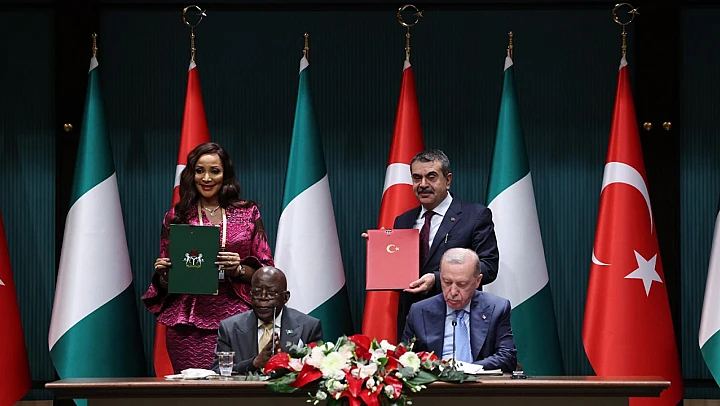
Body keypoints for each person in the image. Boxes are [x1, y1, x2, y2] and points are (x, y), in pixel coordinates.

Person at [142, 142, 274, 373]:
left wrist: (238, 269)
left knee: (237, 386)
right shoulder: (177, 216)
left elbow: (267, 272)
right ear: (191, 175)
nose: (206, 178)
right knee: (194, 389)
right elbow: (167, 281)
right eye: (199, 171)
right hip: (188, 324)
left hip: (238, 319)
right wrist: (164, 274)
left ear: (226, 175)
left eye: (215, 171)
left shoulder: (247, 213)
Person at [402, 248, 516, 372]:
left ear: (477, 281)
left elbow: (507, 358)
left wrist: (467, 368)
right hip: (436, 382)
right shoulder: (419, 312)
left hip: (480, 381)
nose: (453, 292)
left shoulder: (496, 308)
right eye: (447, 282)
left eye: (462, 284)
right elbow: (406, 359)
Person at [211, 266, 323, 374]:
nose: (263, 298)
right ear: (250, 296)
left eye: (271, 293)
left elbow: (317, 371)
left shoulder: (309, 327)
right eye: (257, 293)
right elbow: (218, 371)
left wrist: (286, 362)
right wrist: (253, 364)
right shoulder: (230, 328)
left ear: (285, 297)